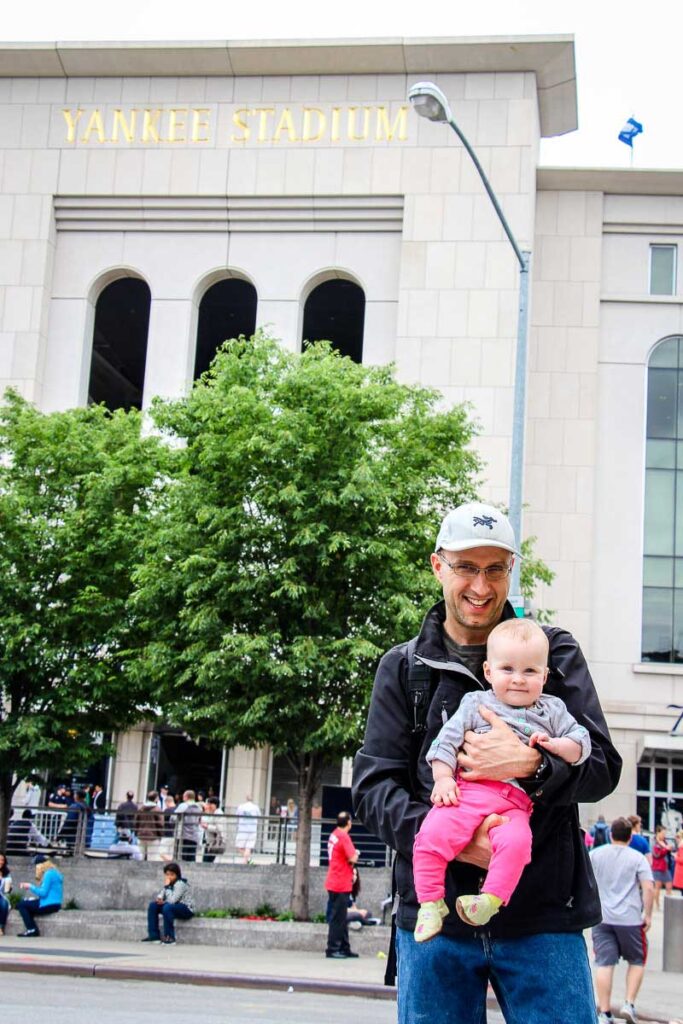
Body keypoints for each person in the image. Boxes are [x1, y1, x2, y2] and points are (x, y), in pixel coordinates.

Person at [352, 501, 622, 1024]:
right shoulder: (403, 668)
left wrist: (532, 765)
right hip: (435, 922)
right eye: (466, 567)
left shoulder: (554, 653)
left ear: (510, 571)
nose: (481, 586)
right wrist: (458, 841)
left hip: (543, 918)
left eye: (495, 568)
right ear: (438, 566)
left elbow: (603, 767)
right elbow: (372, 788)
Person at [413, 617, 590, 938]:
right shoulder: (475, 703)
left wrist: (553, 749)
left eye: (530, 671)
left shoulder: (552, 710)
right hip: (465, 795)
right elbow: (445, 743)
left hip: (515, 805)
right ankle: (430, 902)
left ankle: (490, 900)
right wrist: (442, 779)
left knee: (518, 844)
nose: (519, 680)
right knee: (430, 835)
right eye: (507, 669)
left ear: (545, 676)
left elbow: (582, 744)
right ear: (488, 672)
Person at [590, 816, 654, 1024]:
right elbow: (648, 887)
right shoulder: (637, 858)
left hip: (602, 917)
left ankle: (604, 1012)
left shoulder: (596, 854)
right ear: (630, 837)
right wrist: (649, 914)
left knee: (604, 963)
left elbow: (587, 880)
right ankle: (629, 1003)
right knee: (637, 960)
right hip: (630, 918)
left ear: (611, 834)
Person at [325, 811, 359, 959]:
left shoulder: (334, 834)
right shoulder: (343, 836)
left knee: (341, 917)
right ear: (349, 823)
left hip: (333, 880)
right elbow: (353, 857)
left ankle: (344, 947)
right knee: (338, 919)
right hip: (341, 882)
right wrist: (355, 855)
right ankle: (333, 949)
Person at [142, 861, 195, 945]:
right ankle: (154, 936)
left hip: (186, 909)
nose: (169, 877)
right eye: (167, 874)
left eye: (171, 874)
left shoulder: (180, 884)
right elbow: (162, 894)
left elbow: (172, 900)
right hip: (173, 906)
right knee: (153, 906)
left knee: (167, 907)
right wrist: (159, 899)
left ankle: (170, 937)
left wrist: (167, 887)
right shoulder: (169, 884)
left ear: (177, 875)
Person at [16, 854, 63, 937]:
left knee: (21, 905)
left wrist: (30, 886)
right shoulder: (55, 873)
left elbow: (43, 893)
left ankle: (31, 929)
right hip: (55, 904)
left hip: (48, 904)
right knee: (27, 902)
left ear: (40, 865)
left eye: (36, 866)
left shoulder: (48, 874)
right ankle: (32, 928)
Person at [133, 792, 164, 860]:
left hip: (141, 835)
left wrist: (136, 833)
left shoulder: (140, 809)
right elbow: (160, 824)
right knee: (152, 858)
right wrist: (160, 835)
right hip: (153, 836)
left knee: (140, 857)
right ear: (156, 799)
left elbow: (136, 822)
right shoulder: (157, 809)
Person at [174, 790, 203, 862]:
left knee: (181, 857)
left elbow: (173, 818)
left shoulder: (183, 805)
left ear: (186, 797)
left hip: (183, 835)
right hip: (194, 835)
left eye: (183, 796)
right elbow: (199, 820)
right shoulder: (199, 807)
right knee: (191, 858)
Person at [651, 825, 674, 908]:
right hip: (657, 867)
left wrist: (669, 850)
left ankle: (669, 904)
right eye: (663, 833)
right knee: (657, 886)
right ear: (658, 833)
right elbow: (656, 854)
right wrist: (665, 849)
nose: (664, 835)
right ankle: (657, 904)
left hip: (666, 867)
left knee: (669, 885)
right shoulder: (654, 843)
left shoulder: (665, 842)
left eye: (665, 833)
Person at [234, 794, 260, 864]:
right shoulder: (256, 807)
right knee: (248, 847)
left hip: (242, 829)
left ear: (246, 798)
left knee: (239, 846)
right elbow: (259, 816)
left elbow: (237, 815)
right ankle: (248, 860)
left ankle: (246, 861)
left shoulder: (241, 807)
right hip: (252, 829)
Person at [200, 796, 225, 863]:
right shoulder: (212, 813)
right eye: (208, 804)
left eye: (211, 804)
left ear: (215, 805)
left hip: (214, 842)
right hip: (210, 841)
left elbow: (219, 829)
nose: (209, 806)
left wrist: (207, 826)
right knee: (206, 861)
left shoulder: (218, 813)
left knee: (206, 861)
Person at [0, 852, 12, 936]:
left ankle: (1, 927)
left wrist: (9, 887)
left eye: (2, 860)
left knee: (4, 904)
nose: (1, 862)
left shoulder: (6, 873)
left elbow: (7, 890)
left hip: (1, 895)